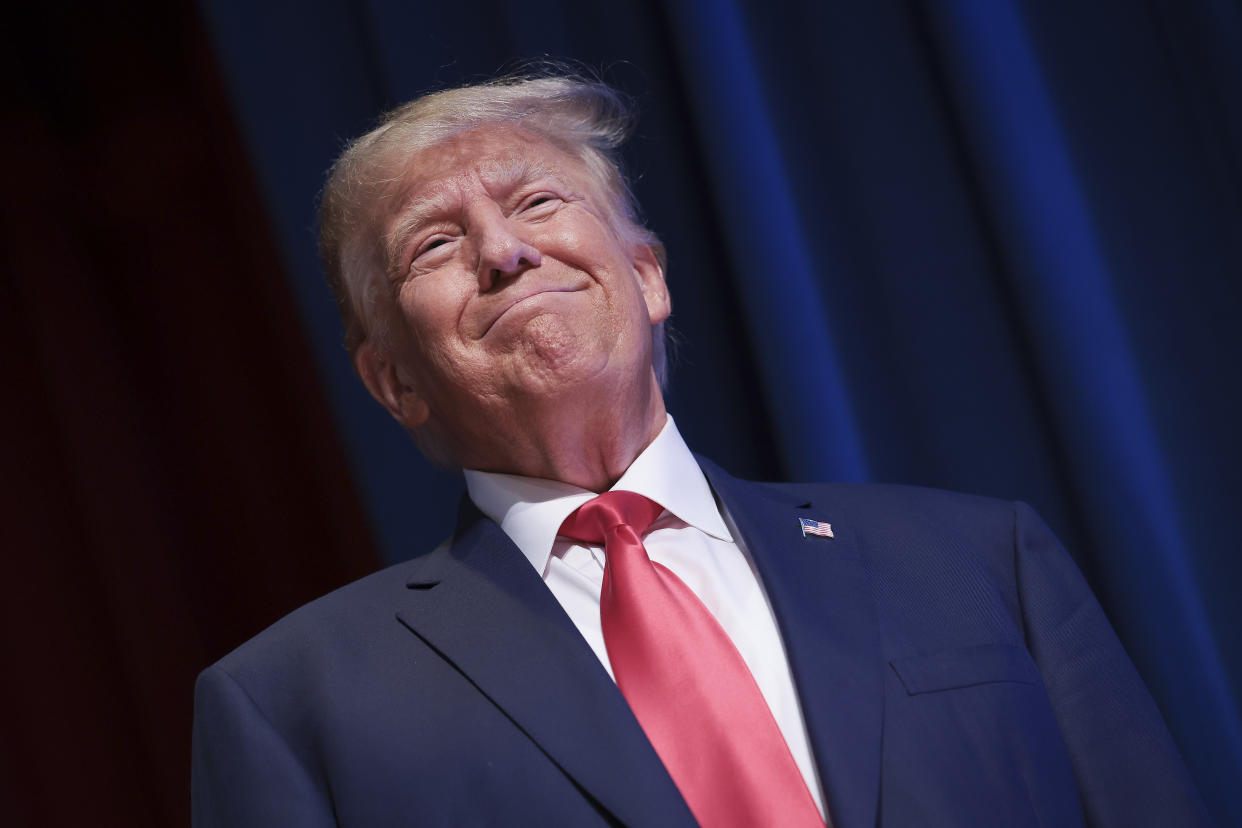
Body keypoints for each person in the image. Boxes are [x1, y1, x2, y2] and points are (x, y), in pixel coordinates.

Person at [191, 72, 1209, 827]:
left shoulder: (982, 563)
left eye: (539, 202)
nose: (504, 251)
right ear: (393, 379)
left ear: (647, 277)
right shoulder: (294, 705)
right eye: (435, 245)